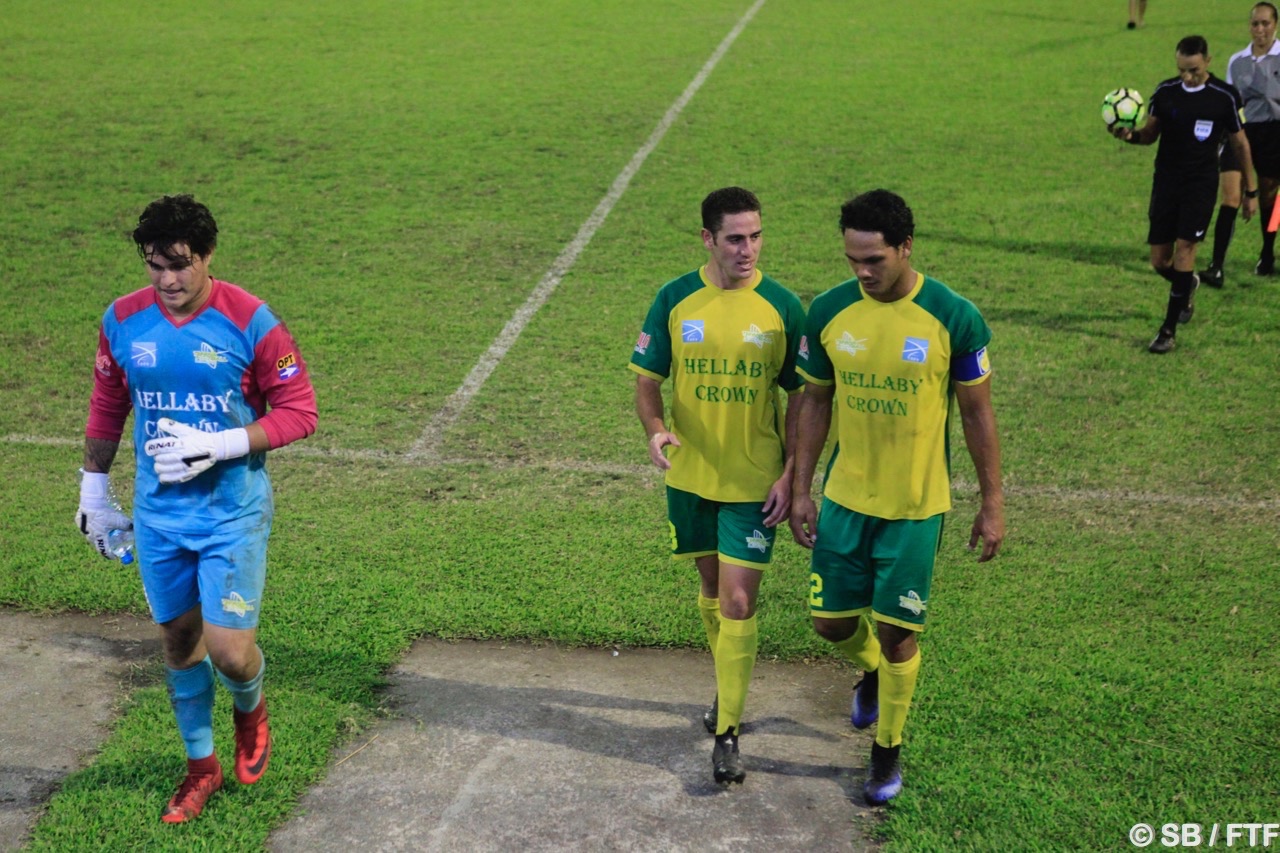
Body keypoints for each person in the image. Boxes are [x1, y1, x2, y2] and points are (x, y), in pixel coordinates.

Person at [76, 195, 317, 823]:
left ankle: (250, 709)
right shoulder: (123, 319)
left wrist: (221, 444)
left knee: (230, 653)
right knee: (179, 642)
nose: (167, 281)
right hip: (160, 518)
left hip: (231, 514)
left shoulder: (252, 321)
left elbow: (300, 412)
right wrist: (93, 491)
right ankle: (200, 768)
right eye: (155, 266)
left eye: (180, 264)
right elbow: (109, 402)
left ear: (208, 256)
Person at [789, 189, 1004, 806]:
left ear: (906, 248)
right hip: (846, 499)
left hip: (915, 507)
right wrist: (801, 489)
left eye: (874, 260)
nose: (862, 271)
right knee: (829, 623)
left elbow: (977, 414)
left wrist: (992, 502)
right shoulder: (829, 311)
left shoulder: (953, 317)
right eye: (853, 259)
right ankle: (873, 673)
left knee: (898, 633)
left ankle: (886, 751)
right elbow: (815, 401)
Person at [629, 187, 804, 785]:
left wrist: (792, 473)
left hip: (755, 481)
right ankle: (726, 690)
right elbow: (647, 380)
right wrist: (655, 430)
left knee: (737, 601)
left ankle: (727, 732)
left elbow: (804, 398)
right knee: (711, 589)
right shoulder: (675, 298)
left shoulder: (782, 306)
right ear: (708, 239)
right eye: (735, 238)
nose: (747, 249)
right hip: (691, 476)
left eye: (755, 236)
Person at [1112, 35, 1258, 353]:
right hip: (1166, 184)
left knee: (1185, 250)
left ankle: (1167, 330)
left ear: (1207, 61)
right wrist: (1130, 136)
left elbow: (1240, 144)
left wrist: (1251, 190)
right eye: (1182, 70)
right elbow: (1150, 134)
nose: (1187, 77)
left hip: (1200, 186)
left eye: (1193, 70)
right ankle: (1187, 283)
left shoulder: (1224, 96)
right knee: (1159, 260)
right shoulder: (1165, 92)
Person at [1201, 3, 1280, 286]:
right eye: (1255, 24)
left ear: (1275, 25)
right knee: (1231, 196)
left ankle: (1267, 251)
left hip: (1274, 133)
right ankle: (1216, 266)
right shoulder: (1237, 61)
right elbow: (1231, 103)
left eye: (1265, 23)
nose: (1260, 29)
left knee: (1269, 197)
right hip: (1240, 133)